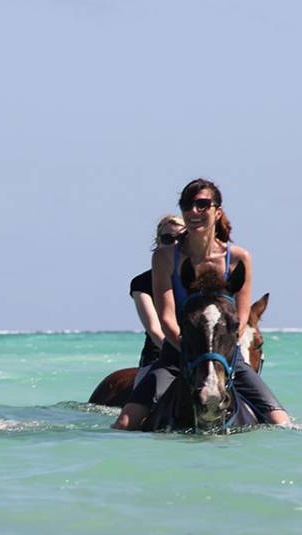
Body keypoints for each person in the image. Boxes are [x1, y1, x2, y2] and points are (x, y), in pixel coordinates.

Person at [113, 178, 291, 430]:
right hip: (177, 355)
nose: (193, 211)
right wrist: (190, 351)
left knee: (281, 422)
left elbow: (239, 320)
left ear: (217, 212)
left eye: (202, 204)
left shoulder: (239, 257)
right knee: (124, 422)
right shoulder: (164, 258)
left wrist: (216, 355)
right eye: (186, 205)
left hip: (228, 358)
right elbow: (166, 318)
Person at [129, 215, 185, 386]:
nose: (174, 244)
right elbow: (154, 330)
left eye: (181, 239)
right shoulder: (142, 283)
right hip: (159, 357)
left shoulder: (201, 279)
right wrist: (183, 356)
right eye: (167, 239)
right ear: (158, 243)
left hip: (200, 358)